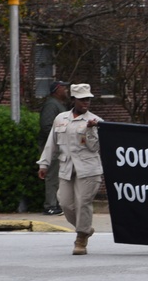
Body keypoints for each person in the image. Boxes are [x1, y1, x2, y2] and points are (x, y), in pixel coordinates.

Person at [37, 84, 103, 255]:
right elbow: (51, 143)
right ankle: (86, 228)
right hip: (67, 167)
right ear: (74, 99)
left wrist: (90, 130)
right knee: (65, 203)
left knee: (83, 203)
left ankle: (81, 239)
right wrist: (44, 164)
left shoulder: (96, 120)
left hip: (88, 168)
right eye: (82, 99)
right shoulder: (61, 118)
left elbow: (94, 147)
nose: (85, 103)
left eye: (88, 99)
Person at [40, 81, 69, 215]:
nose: (66, 90)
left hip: (59, 147)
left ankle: (56, 204)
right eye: (64, 88)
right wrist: (57, 142)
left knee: (57, 176)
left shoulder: (58, 104)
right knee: (52, 176)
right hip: (52, 148)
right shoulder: (52, 104)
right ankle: (50, 206)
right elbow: (46, 126)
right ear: (57, 90)